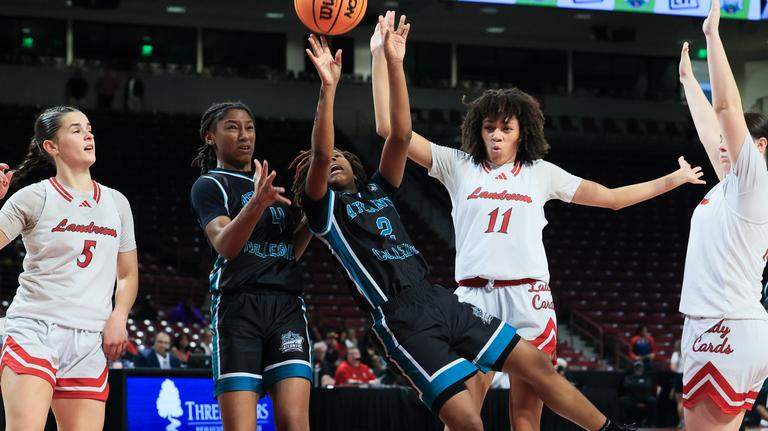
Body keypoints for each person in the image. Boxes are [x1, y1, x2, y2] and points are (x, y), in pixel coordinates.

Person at [371, 11, 706, 431]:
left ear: (520, 132)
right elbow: (391, 130)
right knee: (463, 415)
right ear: (478, 129)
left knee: (526, 417)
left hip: (528, 298)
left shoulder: (541, 172)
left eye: (504, 128)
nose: (495, 135)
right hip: (474, 299)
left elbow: (613, 199)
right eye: (489, 127)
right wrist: (382, 61)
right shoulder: (457, 164)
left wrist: (673, 180)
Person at [291, 23, 633, 431]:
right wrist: (330, 89)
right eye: (490, 126)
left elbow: (398, 133)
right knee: (469, 421)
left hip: (448, 298)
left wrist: (394, 62)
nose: (334, 161)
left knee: (539, 374)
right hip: (413, 312)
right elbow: (329, 150)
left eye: (506, 127)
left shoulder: (380, 191)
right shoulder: (324, 209)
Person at [0, 106, 138, 430]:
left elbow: (128, 273)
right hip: (35, 329)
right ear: (52, 146)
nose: (88, 134)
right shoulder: (33, 197)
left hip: (90, 338)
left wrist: (119, 316)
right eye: (75, 130)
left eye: (88, 127)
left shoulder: (117, 203)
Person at [190, 101, 314, 431]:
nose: (244, 135)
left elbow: (288, 252)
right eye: (232, 127)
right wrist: (257, 205)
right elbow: (226, 246)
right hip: (238, 308)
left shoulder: (266, 185)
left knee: (295, 422)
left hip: (286, 306)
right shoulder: (210, 185)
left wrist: (313, 221)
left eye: (249, 127)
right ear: (210, 137)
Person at [677, 1, 768, 428]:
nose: (721, 145)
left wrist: (713, 37)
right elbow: (710, 127)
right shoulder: (733, 186)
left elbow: (726, 111)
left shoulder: (756, 182)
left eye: (735, 142)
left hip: (724, 326)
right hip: (721, 323)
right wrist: (688, 81)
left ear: (759, 146)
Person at [619, 361, 657, 426]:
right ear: (634, 368)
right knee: (623, 400)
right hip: (632, 398)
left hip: (645, 398)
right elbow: (626, 385)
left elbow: (649, 385)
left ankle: (650, 423)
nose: (639, 369)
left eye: (640, 367)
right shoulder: (629, 377)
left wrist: (634, 384)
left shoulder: (647, 377)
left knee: (653, 400)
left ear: (643, 368)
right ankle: (626, 422)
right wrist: (641, 384)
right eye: (637, 367)